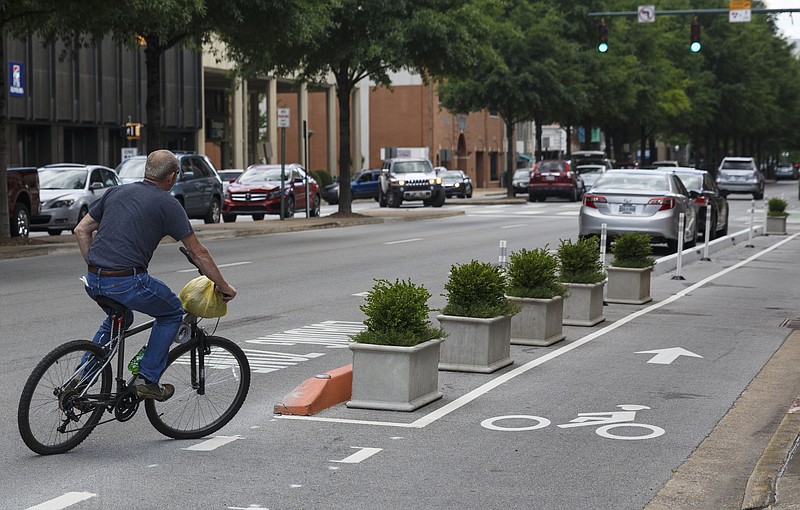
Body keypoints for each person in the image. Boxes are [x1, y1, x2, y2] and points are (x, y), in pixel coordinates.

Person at [74, 150, 236, 401]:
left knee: (120, 318)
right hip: (127, 281)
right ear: (171, 176)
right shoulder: (168, 204)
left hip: (93, 280)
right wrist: (223, 286)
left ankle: (82, 378)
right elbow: (198, 252)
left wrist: (98, 268)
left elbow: (81, 230)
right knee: (171, 312)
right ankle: (147, 379)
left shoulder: (116, 192)